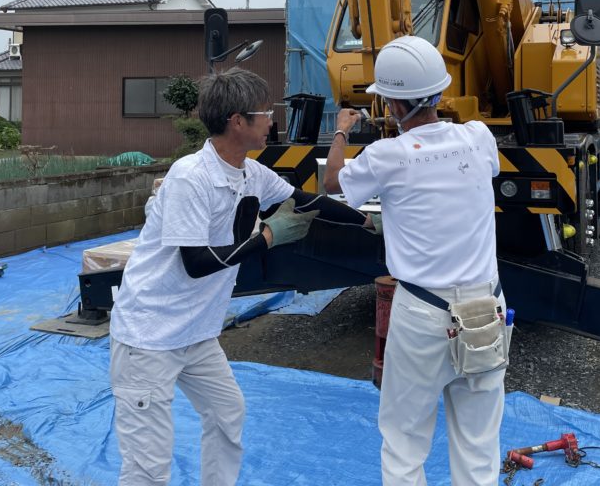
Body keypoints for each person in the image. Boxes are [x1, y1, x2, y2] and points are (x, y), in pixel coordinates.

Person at [109, 67, 371, 485]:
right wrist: (268, 236)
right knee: (148, 465)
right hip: (150, 336)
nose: (272, 121)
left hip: (195, 333)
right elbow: (197, 263)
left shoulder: (250, 172)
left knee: (227, 412)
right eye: (265, 113)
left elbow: (304, 201)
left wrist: (364, 220)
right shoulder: (190, 177)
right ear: (237, 121)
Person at [323, 35, 508, 486]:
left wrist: (342, 129)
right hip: (488, 309)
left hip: (424, 313)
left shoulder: (386, 155)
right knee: (479, 444)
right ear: (439, 92)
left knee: (405, 440)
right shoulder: (478, 137)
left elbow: (331, 184)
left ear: (389, 104)